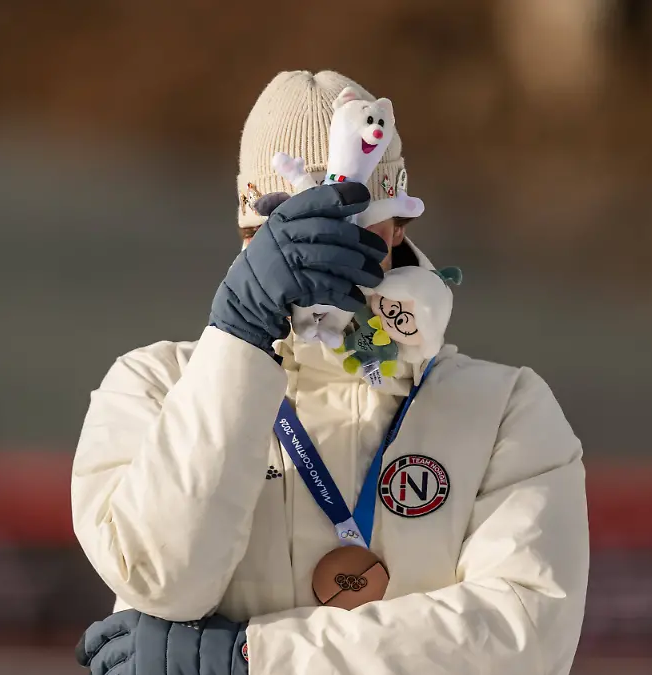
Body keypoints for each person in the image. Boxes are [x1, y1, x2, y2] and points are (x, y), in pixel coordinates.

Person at [71, 71, 589, 675]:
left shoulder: (505, 409)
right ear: (249, 232)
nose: (327, 247)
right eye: (296, 224)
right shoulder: (154, 387)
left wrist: (251, 661)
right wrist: (239, 339)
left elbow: (521, 636)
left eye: (351, 218)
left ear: (398, 225)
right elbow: (163, 578)